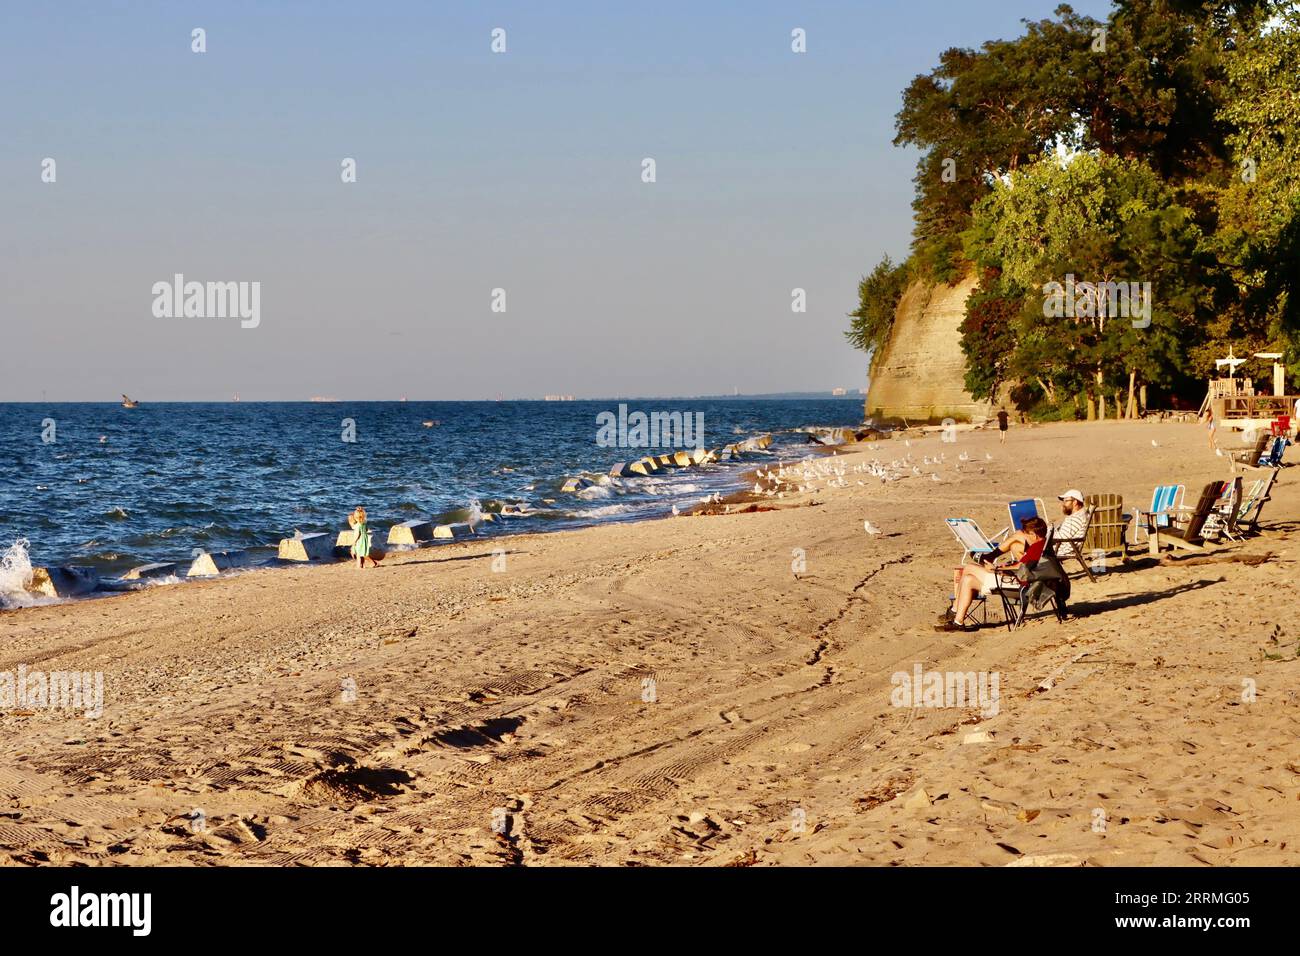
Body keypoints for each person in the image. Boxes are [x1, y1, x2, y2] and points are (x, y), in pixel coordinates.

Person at [938, 516, 1048, 631]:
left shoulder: (1036, 548)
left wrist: (997, 569)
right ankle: (957, 621)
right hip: (1020, 580)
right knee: (968, 579)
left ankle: (955, 613)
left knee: (969, 569)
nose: (1024, 536)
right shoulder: (1041, 545)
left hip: (1018, 585)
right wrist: (1004, 567)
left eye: (1026, 534)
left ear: (1034, 535)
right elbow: (1023, 566)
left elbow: (1020, 567)